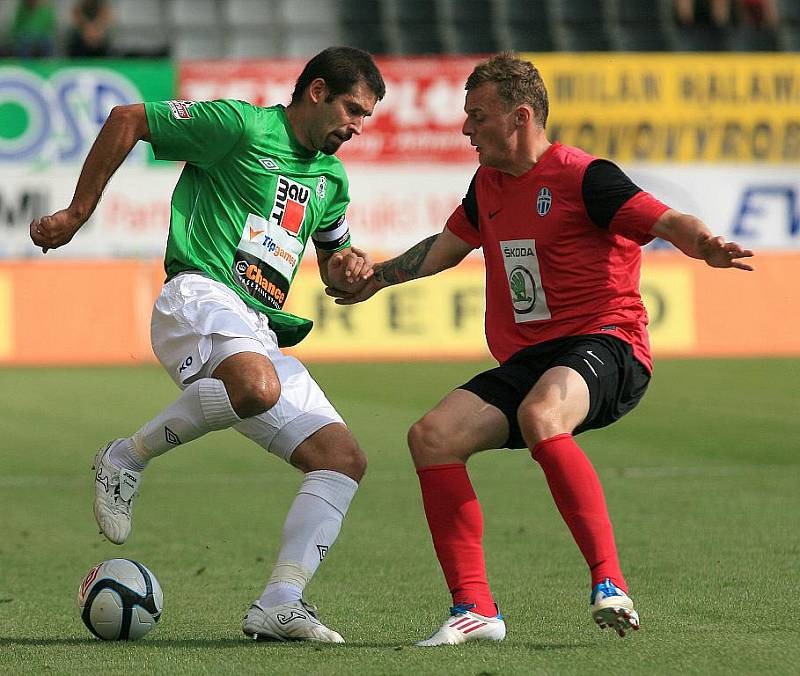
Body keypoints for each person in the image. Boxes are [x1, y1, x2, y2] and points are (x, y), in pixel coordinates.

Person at [328, 52, 754, 646]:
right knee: (432, 437)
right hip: (532, 358)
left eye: (477, 116)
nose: (465, 128)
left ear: (520, 116)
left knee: (540, 414)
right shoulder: (489, 184)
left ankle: (609, 583)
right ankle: (474, 609)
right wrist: (377, 278)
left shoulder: (585, 176)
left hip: (608, 342)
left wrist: (703, 243)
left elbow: (663, 219)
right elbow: (447, 248)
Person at [29, 46, 385, 643]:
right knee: (255, 386)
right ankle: (125, 458)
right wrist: (76, 213)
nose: (357, 127)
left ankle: (280, 601)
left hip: (257, 330)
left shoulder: (330, 179)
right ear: (317, 91)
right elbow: (127, 119)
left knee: (342, 459)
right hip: (198, 297)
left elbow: (332, 260)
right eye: (353, 110)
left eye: (367, 118)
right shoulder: (241, 127)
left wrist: (348, 271)